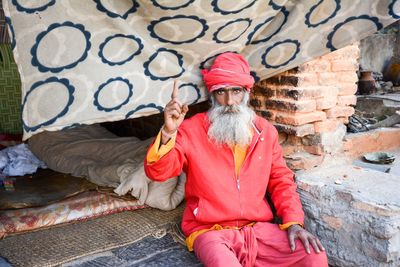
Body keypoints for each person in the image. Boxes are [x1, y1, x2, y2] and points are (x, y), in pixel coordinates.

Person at [144, 52, 328, 266]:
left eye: (236, 91)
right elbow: (158, 172)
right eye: (221, 92)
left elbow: (281, 181)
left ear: (246, 93)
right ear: (212, 96)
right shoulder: (191, 129)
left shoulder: (265, 132)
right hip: (210, 231)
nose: (229, 101)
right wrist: (168, 132)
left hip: (258, 229)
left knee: (313, 256)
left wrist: (294, 223)